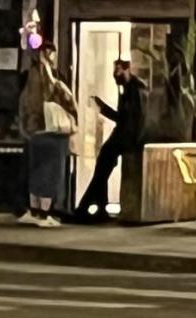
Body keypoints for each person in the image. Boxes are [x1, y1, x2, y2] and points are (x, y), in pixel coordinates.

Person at [74, 59, 146, 223]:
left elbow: (127, 119)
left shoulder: (134, 90)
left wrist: (102, 108)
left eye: (118, 71)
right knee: (103, 168)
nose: (116, 75)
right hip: (124, 135)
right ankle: (97, 207)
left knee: (103, 166)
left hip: (126, 137)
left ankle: (87, 207)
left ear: (127, 70)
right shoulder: (128, 88)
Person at [17, 41, 78, 227]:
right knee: (51, 172)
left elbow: (24, 104)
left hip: (33, 131)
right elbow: (54, 93)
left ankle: (34, 212)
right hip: (51, 131)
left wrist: (25, 127)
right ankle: (45, 214)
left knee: (36, 171)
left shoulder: (28, 75)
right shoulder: (47, 75)